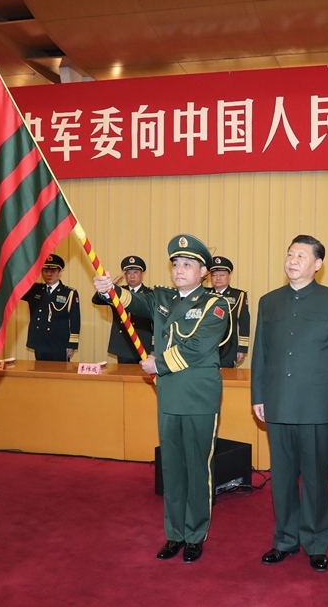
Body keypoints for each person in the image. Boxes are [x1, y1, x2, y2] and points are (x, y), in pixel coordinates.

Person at [94, 234, 230, 564]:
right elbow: (132, 301)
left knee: (197, 468)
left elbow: (199, 347)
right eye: (176, 264)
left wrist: (160, 363)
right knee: (172, 468)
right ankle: (175, 534)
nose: (179, 269)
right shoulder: (162, 298)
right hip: (169, 396)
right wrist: (109, 290)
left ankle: (195, 535)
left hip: (198, 398)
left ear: (203, 273)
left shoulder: (215, 305)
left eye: (188, 264)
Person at [251, 234, 328, 573]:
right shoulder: (269, 302)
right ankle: (284, 539)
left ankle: (315, 542)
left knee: (314, 477)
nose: (292, 260)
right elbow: (260, 353)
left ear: (317, 264)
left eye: (301, 255)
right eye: (290, 254)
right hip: (278, 401)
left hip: (317, 403)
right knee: (281, 477)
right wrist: (258, 395)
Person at [91, 255, 154, 364]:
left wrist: (153, 347)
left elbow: (156, 323)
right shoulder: (117, 291)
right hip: (123, 344)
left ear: (142, 274)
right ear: (124, 275)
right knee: (122, 373)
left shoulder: (150, 293)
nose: (132, 276)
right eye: (128, 273)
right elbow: (96, 300)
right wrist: (111, 285)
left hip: (143, 343)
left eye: (135, 272)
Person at [22, 253, 80, 361]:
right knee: (40, 370)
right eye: (45, 271)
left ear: (59, 273)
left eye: (53, 271)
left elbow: (75, 320)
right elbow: (16, 288)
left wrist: (72, 344)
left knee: (60, 371)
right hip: (40, 342)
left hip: (59, 343)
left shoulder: (69, 293)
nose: (49, 274)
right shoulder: (34, 290)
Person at [208, 256, 250, 368]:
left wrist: (242, 349)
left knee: (228, 376)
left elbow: (244, 323)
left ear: (229, 276)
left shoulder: (239, 296)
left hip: (229, 347)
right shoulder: (204, 295)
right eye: (214, 275)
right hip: (206, 347)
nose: (218, 278)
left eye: (222, 275)